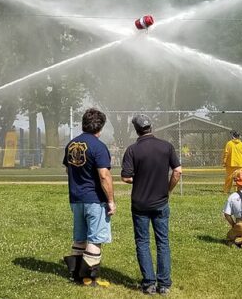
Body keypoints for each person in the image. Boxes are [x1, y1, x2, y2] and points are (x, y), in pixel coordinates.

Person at [121, 114, 182, 296]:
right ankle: (164, 284)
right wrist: (167, 190)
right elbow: (177, 172)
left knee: (143, 242)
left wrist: (139, 180)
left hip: (140, 203)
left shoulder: (132, 150)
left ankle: (149, 284)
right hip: (161, 202)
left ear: (136, 130)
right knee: (162, 242)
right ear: (151, 127)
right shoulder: (166, 147)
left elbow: (126, 177)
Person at [62, 108, 115, 288]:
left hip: (75, 199)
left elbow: (68, 169)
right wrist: (110, 201)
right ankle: (90, 278)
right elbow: (104, 176)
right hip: (94, 199)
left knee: (80, 238)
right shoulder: (98, 146)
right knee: (95, 239)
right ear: (100, 127)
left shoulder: (71, 144)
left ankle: (75, 274)